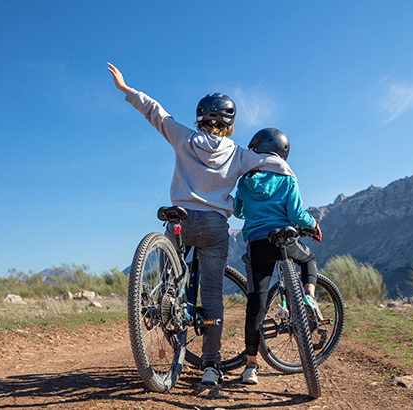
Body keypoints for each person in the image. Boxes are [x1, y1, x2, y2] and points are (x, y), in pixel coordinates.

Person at [107, 63, 296, 386]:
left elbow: (156, 112)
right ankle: (211, 366)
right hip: (213, 226)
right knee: (211, 295)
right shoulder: (239, 154)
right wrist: (288, 173)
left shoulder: (183, 138)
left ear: (200, 119)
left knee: (172, 276)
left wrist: (126, 90)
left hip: (179, 219)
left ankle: (166, 301)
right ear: (230, 124)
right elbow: (273, 162)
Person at [233, 128, 322, 385]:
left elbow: (238, 212)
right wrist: (312, 223)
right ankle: (309, 298)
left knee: (256, 306)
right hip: (284, 239)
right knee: (308, 260)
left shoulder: (246, 180)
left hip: (258, 243)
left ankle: (251, 367)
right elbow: (296, 213)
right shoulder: (287, 177)